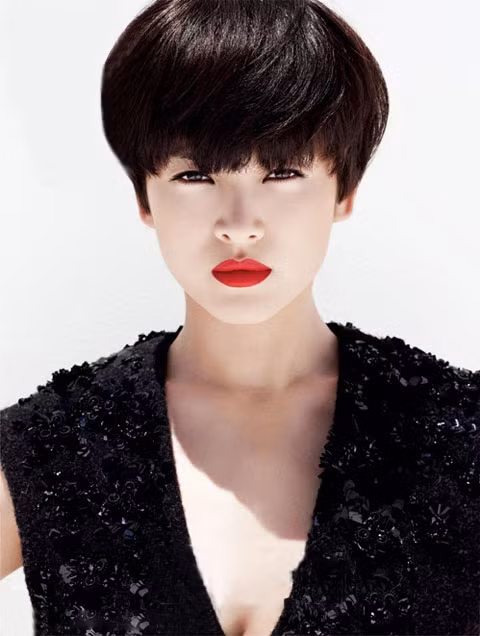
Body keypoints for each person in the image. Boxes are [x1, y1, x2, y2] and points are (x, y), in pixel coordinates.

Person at [1, 0, 478, 635]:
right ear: (145, 196)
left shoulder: (461, 435)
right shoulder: (50, 446)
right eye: (196, 175)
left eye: (282, 171)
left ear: (344, 190)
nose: (239, 226)